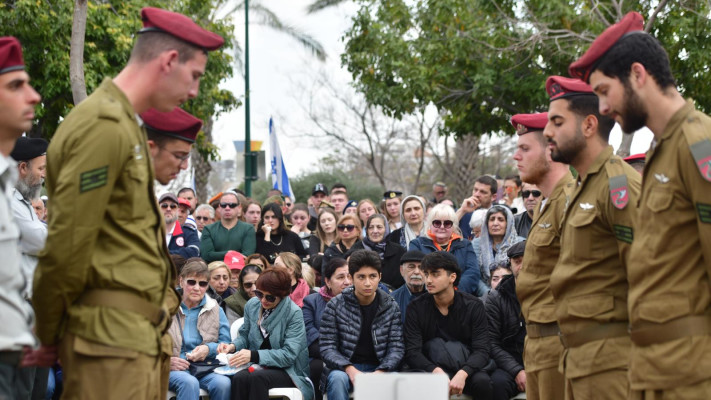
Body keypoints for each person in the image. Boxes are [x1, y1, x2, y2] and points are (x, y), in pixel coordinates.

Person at [31, 9, 224, 399]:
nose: (194, 92)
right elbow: (67, 246)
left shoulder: (123, 128)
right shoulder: (104, 127)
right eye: (195, 76)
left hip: (128, 340)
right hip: (109, 343)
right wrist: (47, 333)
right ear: (169, 61)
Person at [571, 11, 711, 397]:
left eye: (603, 91)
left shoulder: (699, 143)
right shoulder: (662, 151)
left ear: (637, 74)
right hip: (657, 370)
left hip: (693, 374)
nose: (601, 109)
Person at [543, 71, 640, 399]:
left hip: (612, 363)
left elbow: (646, 274)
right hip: (579, 359)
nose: (547, 131)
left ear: (588, 126)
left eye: (557, 122)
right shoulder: (585, 188)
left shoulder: (618, 185)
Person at [511, 108, 573, 400]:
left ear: (550, 151)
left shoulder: (570, 200)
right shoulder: (546, 205)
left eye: (525, 148)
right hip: (536, 341)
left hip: (560, 342)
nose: (516, 156)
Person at [0, 36, 44, 400]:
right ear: (24, 167)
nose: (34, 97)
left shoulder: (21, 198)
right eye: (16, 86)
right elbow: (43, 240)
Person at [404, 251, 492, 399]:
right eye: (426, 274)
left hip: (466, 366)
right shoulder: (416, 307)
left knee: (483, 382)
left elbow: (482, 349)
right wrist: (435, 371)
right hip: (431, 368)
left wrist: (463, 373)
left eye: (435, 274)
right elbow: (413, 351)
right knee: (411, 380)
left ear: (452, 277)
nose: (428, 280)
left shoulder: (473, 306)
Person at [320, 250, 404, 400]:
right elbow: (327, 347)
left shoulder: (390, 305)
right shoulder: (335, 305)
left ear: (380, 277)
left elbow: (396, 347)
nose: (367, 282)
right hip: (345, 369)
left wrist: (381, 372)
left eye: (372, 276)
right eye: (361, 277)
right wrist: (350, 369)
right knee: (337, 380)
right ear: (351, 278)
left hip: (380, 368)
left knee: (396, 379)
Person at [218, 268, 313, 400]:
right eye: (259, 294)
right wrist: (232, 347)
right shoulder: (252, 305)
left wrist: (253, 355)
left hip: (289, 370)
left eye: (270, 297)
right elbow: (245, 336)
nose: (263, 300)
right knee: (239, 378)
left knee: (257, 378)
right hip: (258, 365)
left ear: (283, 295)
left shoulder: (294, 313)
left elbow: (289, 355)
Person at [167, 259, 231, 400]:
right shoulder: (165, 305)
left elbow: (226, 343)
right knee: (189, 383)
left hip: (203, 367)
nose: (197, 288)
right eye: (192, 282)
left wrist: (208, 349)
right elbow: (147, 342)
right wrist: (166, 361)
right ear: (181, 281)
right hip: (172, 367)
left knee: (223, 383)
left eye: (202, 284)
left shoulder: (215, 308)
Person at [302, 258, 352, 400]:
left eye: (350, 276)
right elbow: (309, 336)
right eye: (341, 277)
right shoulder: (311, 302)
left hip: (353, 358)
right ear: (328, 282)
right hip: (321, 356)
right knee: (317, 368)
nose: (347, 282)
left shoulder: (361, 301)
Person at [409, 204, 485, 296]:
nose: (442, 227)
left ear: (453, 226)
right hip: (427, 298)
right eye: (437, 223)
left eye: (447, 223)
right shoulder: (417, 244)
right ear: (430, 225)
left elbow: (472, 272)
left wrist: (453, 292)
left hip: (460, 297)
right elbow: (417, 272)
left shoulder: (465, 244)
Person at [485, 241, 527, 400]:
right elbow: (491, 342)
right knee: (497, 384)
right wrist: (517, 370)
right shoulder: (496, 298)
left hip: (542, 358)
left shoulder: (549, 293)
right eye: (517, 262)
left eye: (527, 261)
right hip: (509, 361)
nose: (522, 266)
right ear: (511, 265)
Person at [349, 214, 406, 289]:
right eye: (371, 227)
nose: (375, 231)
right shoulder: (356, 250)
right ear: (366, 230)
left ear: (386, 229)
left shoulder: (399, 251)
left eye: (379, 227)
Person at [473, 205, 523, 287]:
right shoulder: (476, 244)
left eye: (501, 220)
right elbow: (475, 276)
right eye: (492, 219)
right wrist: (488, 294)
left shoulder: (520, 243)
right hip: (484, 295)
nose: (495, 223)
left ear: (508, 223)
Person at [200, 191, 256, 262]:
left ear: (239, 207)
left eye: (232, 205)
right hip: (214, 271)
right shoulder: (208, 229)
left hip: (239, 270)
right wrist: (230, 254)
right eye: (223, 205)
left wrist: (218, 255)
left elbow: (248, 255)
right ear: (219, 207)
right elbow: (206, 255)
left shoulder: (248, 229)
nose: (227, 208)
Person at [160, 192, 201, 259]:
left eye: (173, 206)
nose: (168, 209)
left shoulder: (189, 231)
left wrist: (162, 255)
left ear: (176, 211)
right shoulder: (149, 231)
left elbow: (194, 252)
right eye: (164, 206)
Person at [389, 250, 426, 324]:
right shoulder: (392, 299)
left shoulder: (436, 296)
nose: (416, 272)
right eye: (411, 267)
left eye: (421, 267)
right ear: (402, 270)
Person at [457, 175, 498, 240]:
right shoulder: (464, 213)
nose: (476, 194)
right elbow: (444, 229)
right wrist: (462, 210)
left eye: (483, 192)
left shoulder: (499, 216)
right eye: (475, 190)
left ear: (493, 197)